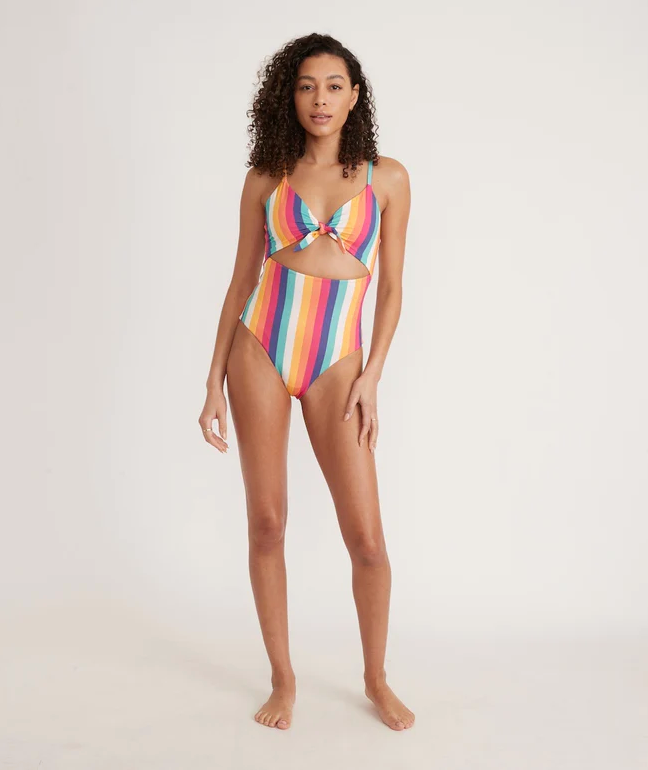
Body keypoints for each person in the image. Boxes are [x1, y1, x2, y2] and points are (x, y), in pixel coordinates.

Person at [199, 32, 412, 731]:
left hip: (338, 362)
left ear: (355, 96)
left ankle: (376, 679)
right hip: (260, 348)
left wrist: (372, 376)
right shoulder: (266, 176)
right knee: (267, 523)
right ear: (288, 97)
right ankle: (283, 679)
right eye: (306, 86)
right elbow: (241, 280)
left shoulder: (387, 178)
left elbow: (391, 289)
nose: (320, 98)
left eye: (333, 85)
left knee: (368, 540)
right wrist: (212, 382)